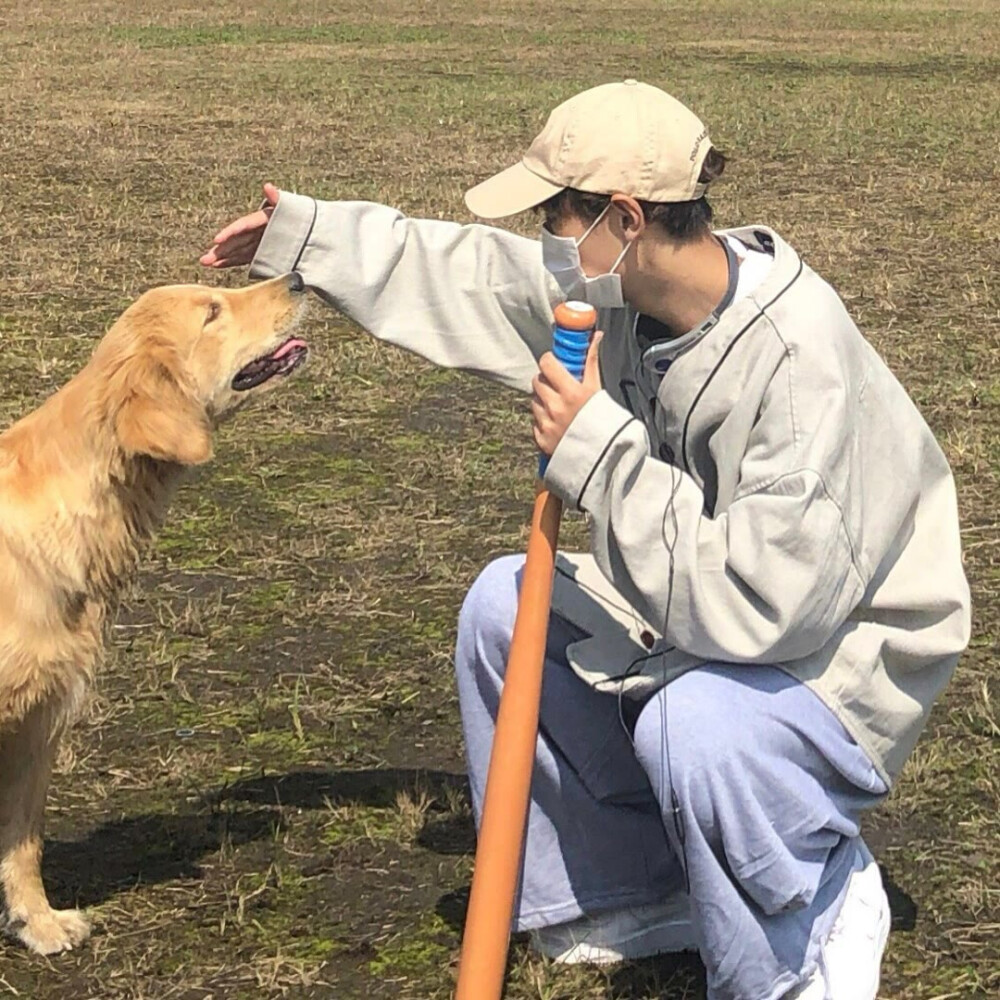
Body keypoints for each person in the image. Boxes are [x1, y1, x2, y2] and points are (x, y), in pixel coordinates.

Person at [201, 80, 971, 1000]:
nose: (545, 242)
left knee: (702, 726)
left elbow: (764, 609)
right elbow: (471, 273)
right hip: (706, 608)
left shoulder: (798, 365)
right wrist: (311, 236)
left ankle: (807, 912)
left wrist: (598, 455)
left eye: (554, 217)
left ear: (625, 218)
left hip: (837, 653)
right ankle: (634, 888)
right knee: (505, 600)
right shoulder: (625, 293)